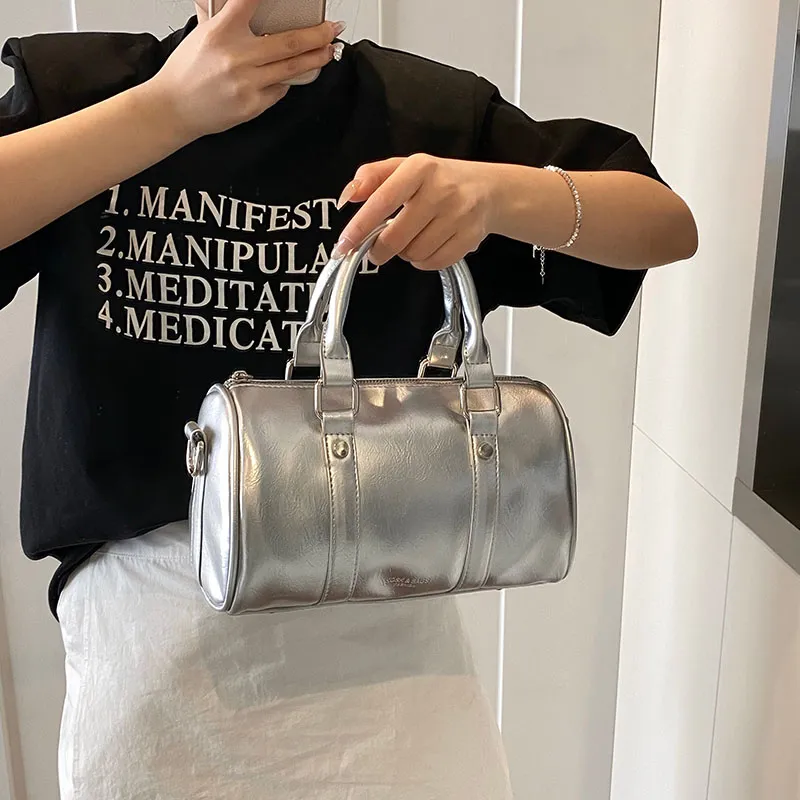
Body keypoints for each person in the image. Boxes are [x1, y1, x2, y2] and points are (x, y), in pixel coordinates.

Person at [0, 1, 697, 797]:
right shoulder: (82, 90)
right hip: (152, 662)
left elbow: (666, 224)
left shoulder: (423, 116)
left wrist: (498, 194)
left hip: (389, 658)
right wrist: (166, 111)